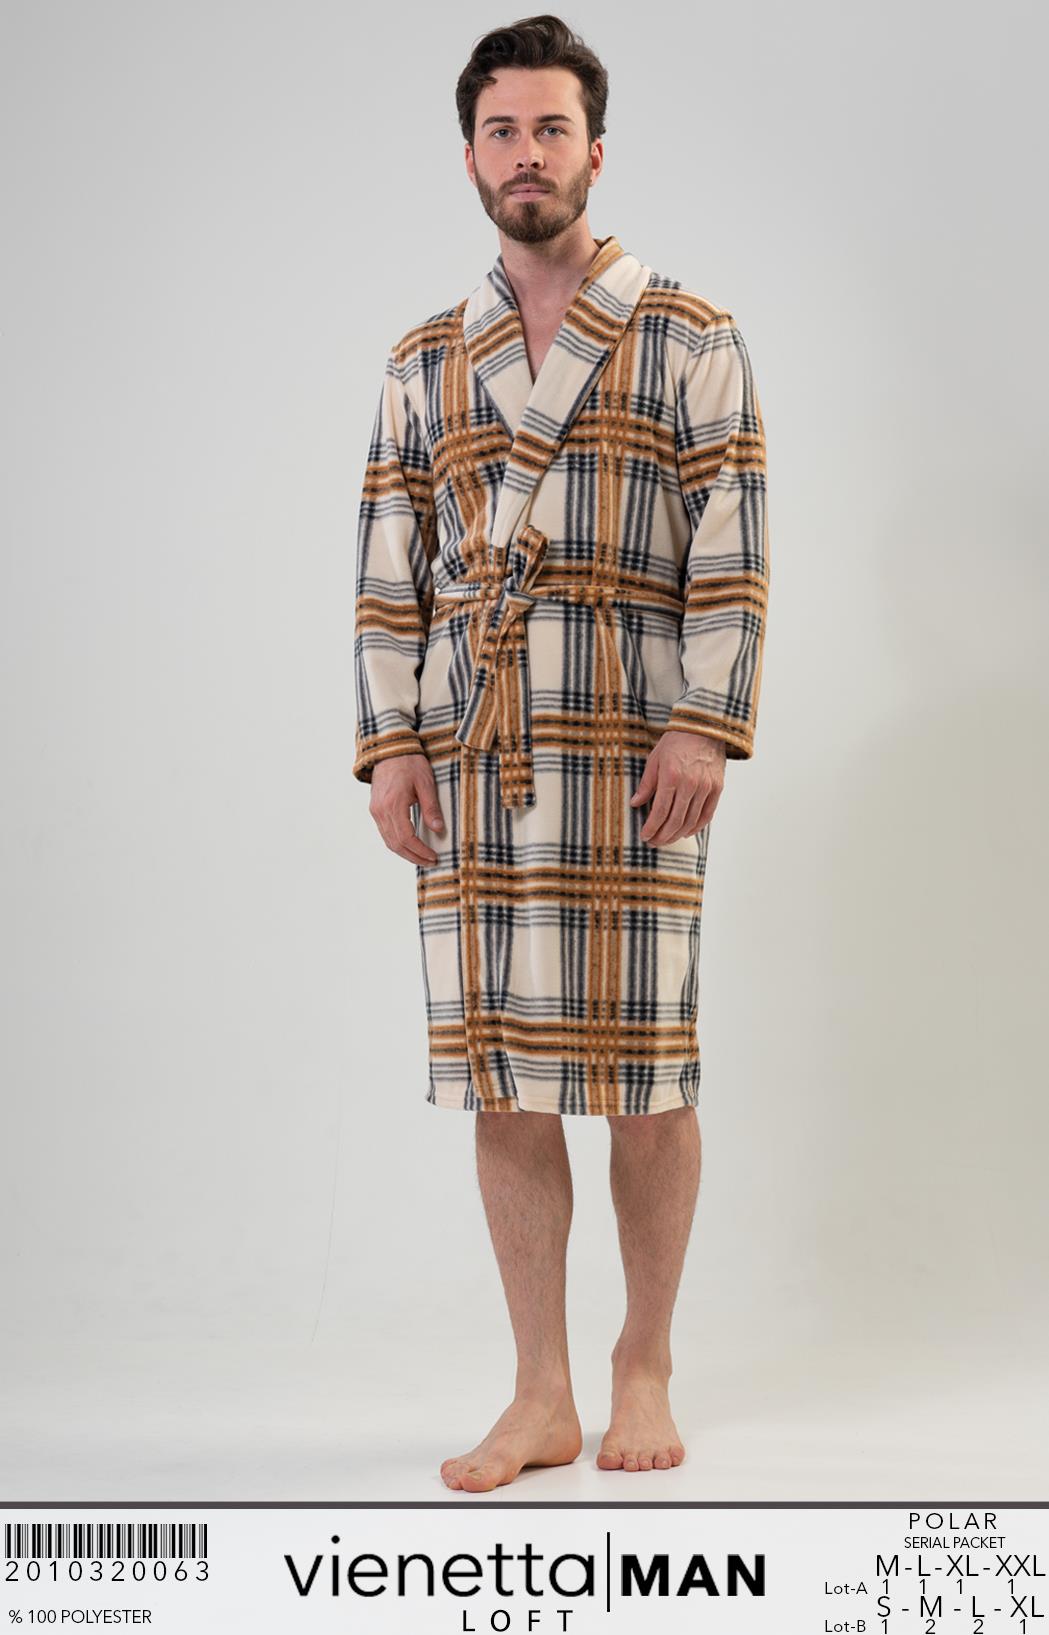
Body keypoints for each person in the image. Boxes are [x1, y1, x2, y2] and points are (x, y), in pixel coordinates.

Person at [352, 14, 770, 1491]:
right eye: (501, 131)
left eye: (549, 129)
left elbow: (731, 539)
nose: (525, 154)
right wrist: (393, 743)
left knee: (647, 1070)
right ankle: (539, 1390)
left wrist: (705, 718)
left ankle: (642, 1359)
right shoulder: (423, 359)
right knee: (503, 1076)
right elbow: (390, 564)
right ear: (469, 155)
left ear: (596, 149)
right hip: (479, 747)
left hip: (634, 739)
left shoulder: (691, 335)